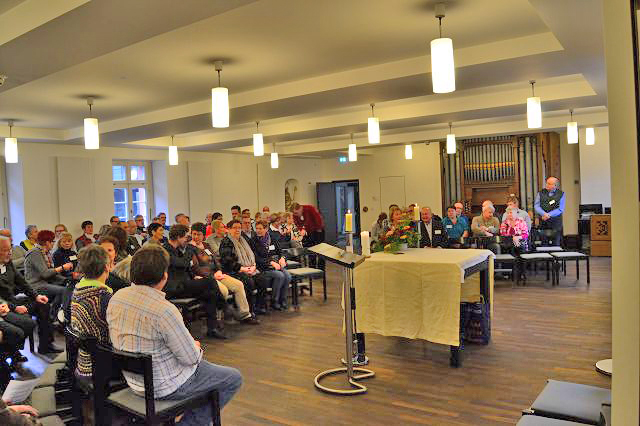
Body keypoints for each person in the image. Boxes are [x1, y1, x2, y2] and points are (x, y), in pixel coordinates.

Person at [107, 246, 242, 425]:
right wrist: (194, 346)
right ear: (165, 276)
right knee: (233, 378)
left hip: (134, 381)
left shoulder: (116, 298)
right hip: (164, 386)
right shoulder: (164, 310)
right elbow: (190, 359)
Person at [0, 236, 61, 355]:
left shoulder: (8, 263)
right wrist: (15, 308)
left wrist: (36, 296)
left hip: (13, 301)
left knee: (43, 305)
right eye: (5, 250)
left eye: (10, 248)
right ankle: (13, 352)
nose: (10, 252)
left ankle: (45, 345)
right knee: (26, 323)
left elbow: (22, 282)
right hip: (4, 306)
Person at [163, 225, 226, 339]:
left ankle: (212, 329)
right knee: (210, 281)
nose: (187, 240)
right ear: (178, 237)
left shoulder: (177, 249)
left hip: (184, 284)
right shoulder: (165, 250)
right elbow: (182, 263)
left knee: (210, 294)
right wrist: (190, 250)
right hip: (174, 288)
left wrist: (193, 276)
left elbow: (186, 268)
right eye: (185, 237)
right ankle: (222, 304)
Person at [189, 223, 258, 324]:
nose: (196, 237)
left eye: (199, 234)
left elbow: (216, 260)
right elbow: (196, 267)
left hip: (216, 273)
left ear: (203, 235)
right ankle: (217, 318)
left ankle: (244, 315)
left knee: (238, 285)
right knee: (224, 290)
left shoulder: (206, 245)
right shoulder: (190, 248)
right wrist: (212, 275)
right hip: (205, 277)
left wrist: (219, 270)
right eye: (194, 234)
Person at [70, 244, 113, 382]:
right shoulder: (102, 296)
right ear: (107, 267)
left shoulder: (78, 288)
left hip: (83, 361)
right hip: (98, 366)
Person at [219, 220, 266, 314]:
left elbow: (252, 255)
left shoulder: (244, 240)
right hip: (233, 271)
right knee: (249, 282)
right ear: (229, 229)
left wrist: (253, 266)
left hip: (248, 268)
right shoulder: (226, 242)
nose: (237, 230)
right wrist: (242, 269)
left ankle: (259, 307)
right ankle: (249, 311)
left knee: (262, 279)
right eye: (234, 228)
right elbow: (227, 261)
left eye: (239, 228)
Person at [24, 230, 71, 315]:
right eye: (53, 241)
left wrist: (67, 279)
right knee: (64, 291)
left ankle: (55, 313)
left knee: (67, 288)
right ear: (47, 242)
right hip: (36, 285)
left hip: (44, 283)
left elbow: (51, 274)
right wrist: (63, 267)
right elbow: (45, 273)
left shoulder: (45, 253)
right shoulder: (35, 253)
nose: (54, 243)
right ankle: (53, 314)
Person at [252, 221, 290, 310]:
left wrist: (282, 258)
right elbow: (256, 258)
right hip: (263, 267)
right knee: (280, 275)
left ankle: (282, 300)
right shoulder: (253, 241)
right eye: (256, 228)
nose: (258, 230)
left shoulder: (272, 238)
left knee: (288, 276)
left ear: (266, 229)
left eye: (260, 228)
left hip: (276, 265)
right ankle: (274, 301)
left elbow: (281, 252)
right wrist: (270, 262)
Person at [534, 176, 566, 246]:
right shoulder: (540, 193)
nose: (547, 185)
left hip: (556, 223)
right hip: (543, 222)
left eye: (549, 184)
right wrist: (544, 214)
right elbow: (536, 205)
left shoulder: (561, 194)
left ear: (555, 185)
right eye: (547, 183)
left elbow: (560, 209)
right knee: (544, 244)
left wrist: (549, 215)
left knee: (556, 244)